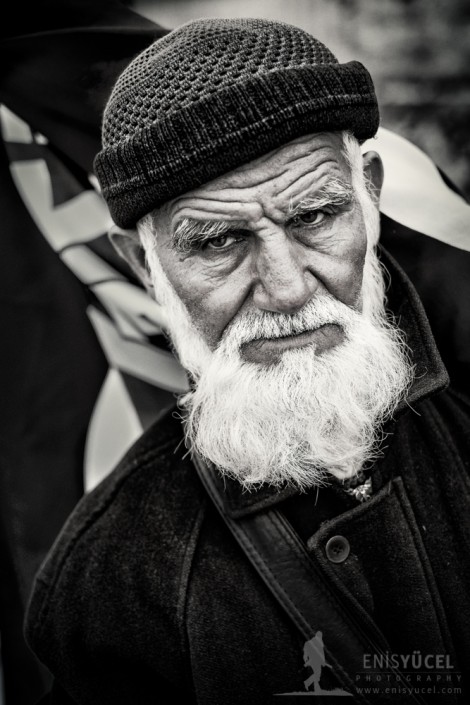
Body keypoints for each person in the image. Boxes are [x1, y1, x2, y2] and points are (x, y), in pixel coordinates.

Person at [24, 17, 470, 705]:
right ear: (144, 263)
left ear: (369, 196)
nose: (288, 286)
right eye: (220, 241)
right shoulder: (115, 577)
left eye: (316, 216)